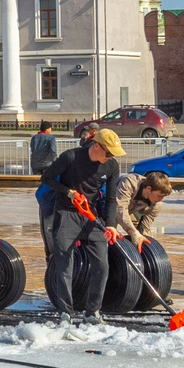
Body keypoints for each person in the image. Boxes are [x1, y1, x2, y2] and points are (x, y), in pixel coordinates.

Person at [36, 122, 132, 317]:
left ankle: (93, 311)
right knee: (64, 264)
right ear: (97, 146)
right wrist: (68, 192)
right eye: (109, 153)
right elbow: (47, 178)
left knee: (102, 264)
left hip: (92, 215)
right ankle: (66, 312)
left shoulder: (112, 166)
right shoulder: (71, 157)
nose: (111, 157)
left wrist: (111, 225)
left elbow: (112, 198)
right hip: (66, 213)